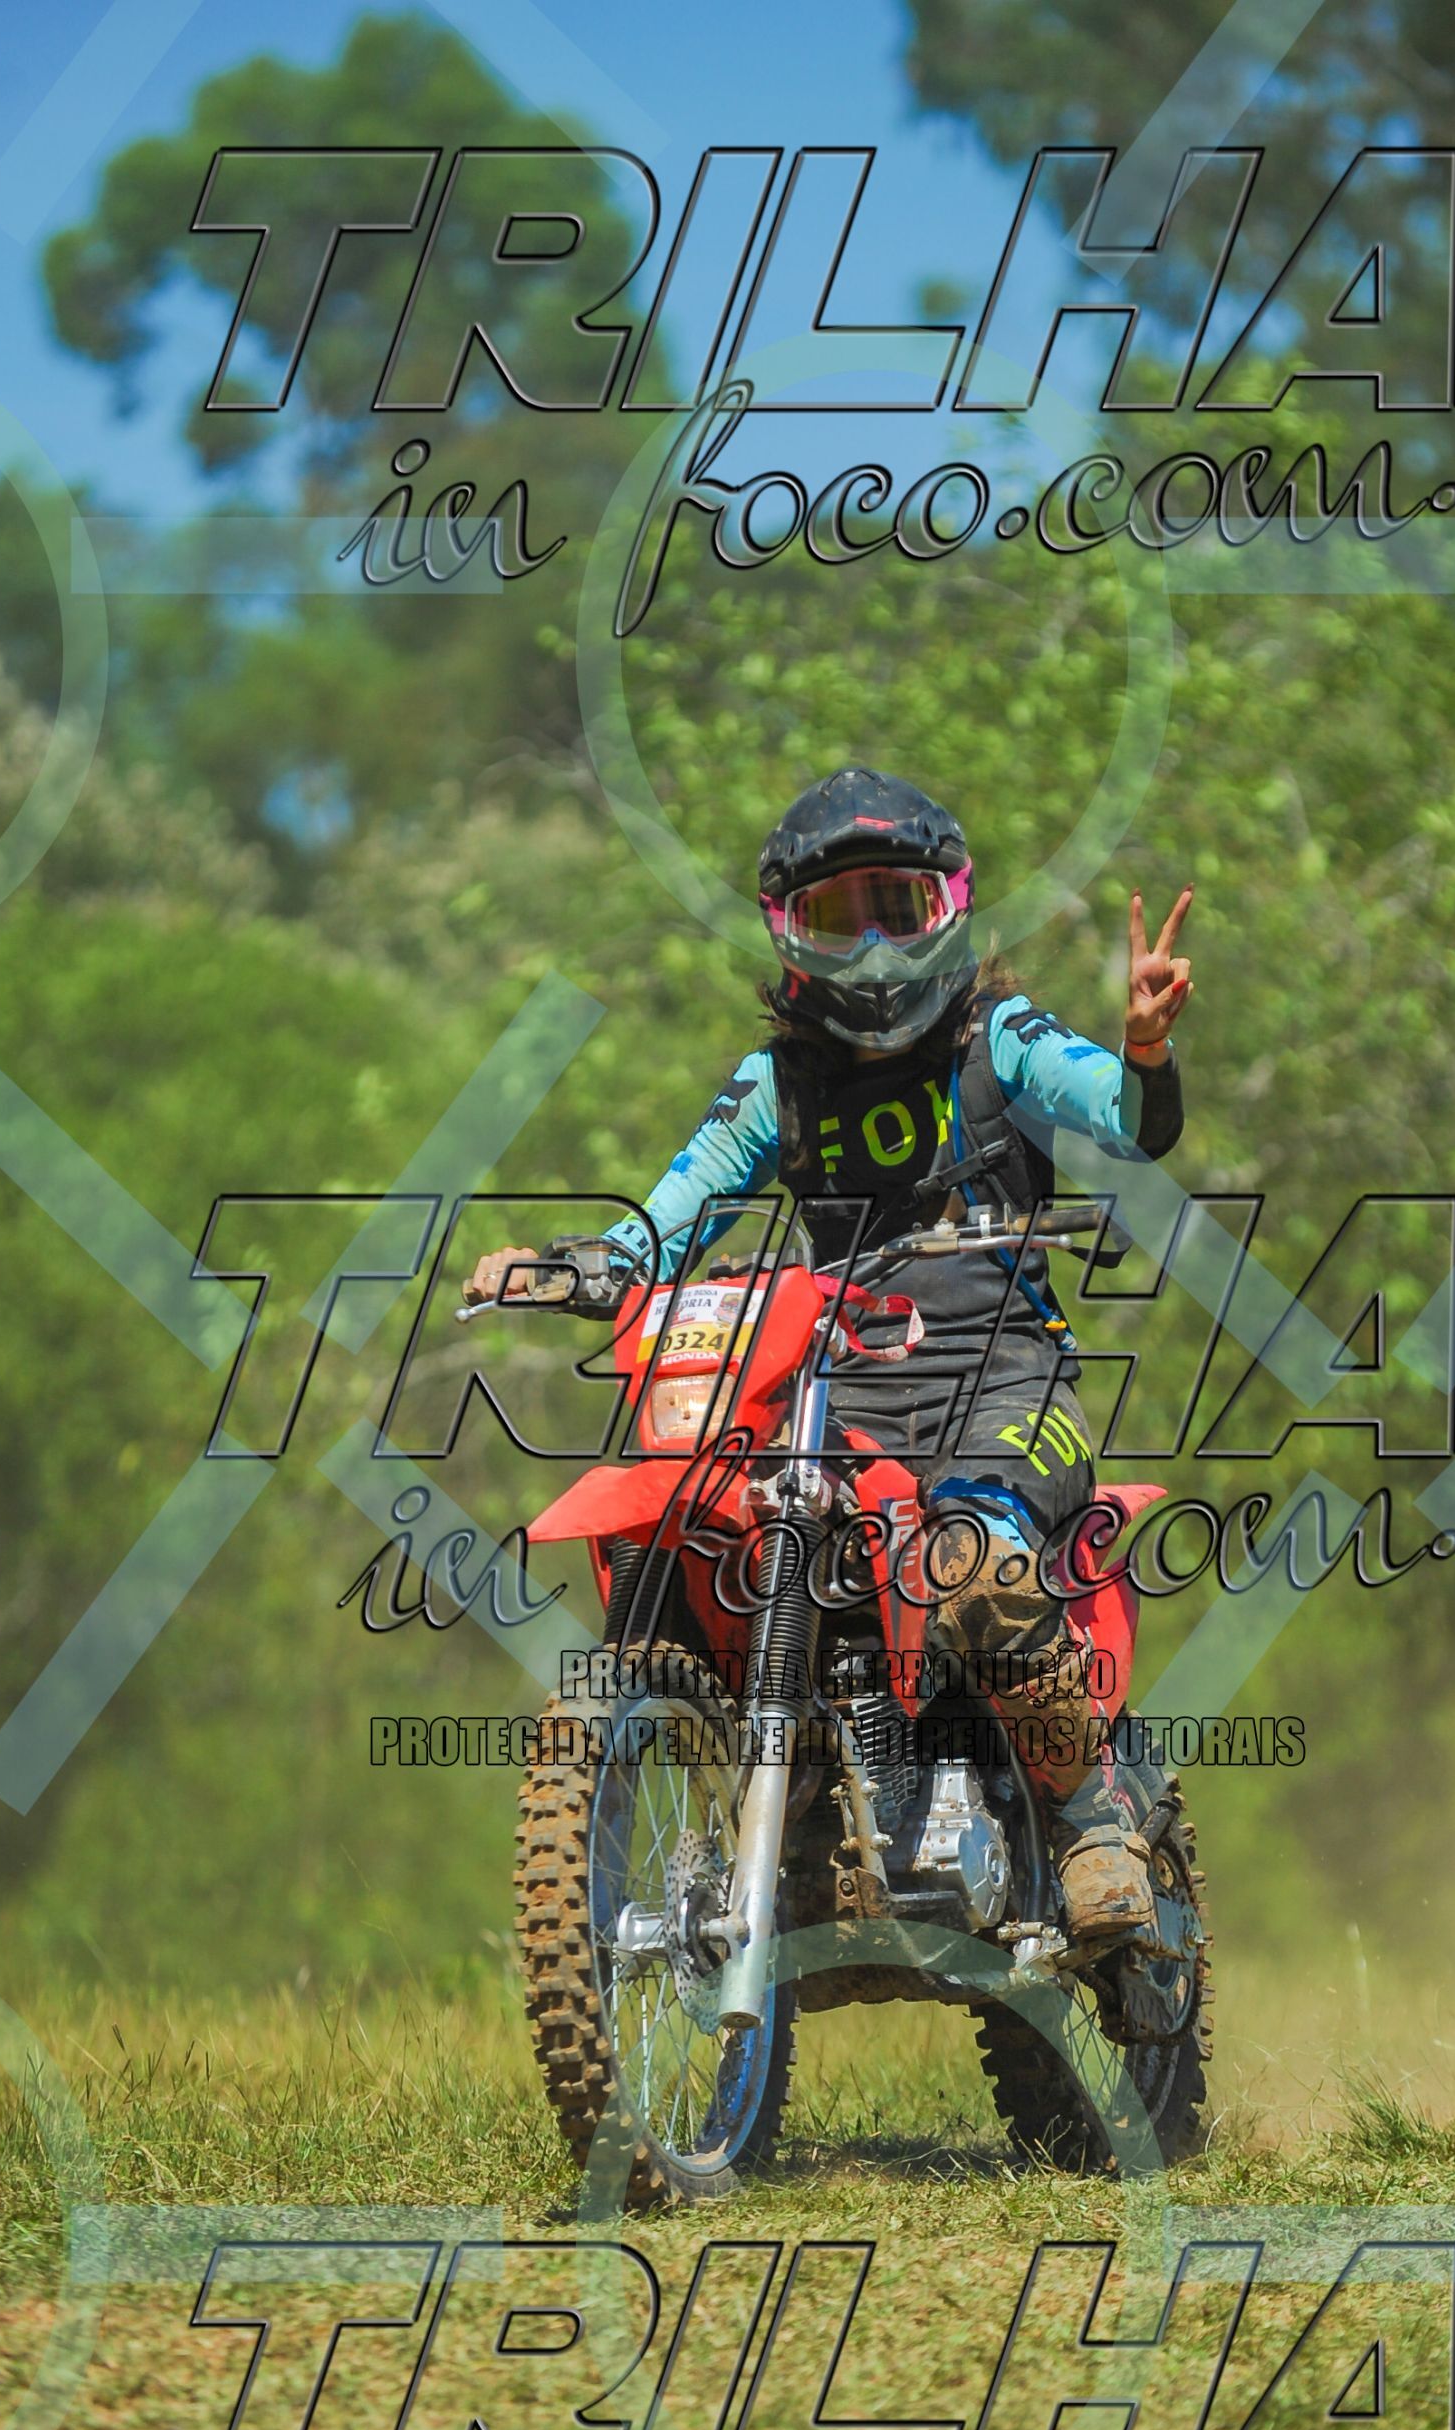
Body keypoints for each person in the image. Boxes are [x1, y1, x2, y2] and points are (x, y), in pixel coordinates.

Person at [466, 765, 1193, 1943]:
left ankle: (1092, 1817)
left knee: (975, 1561)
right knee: (731, 1541)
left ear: (948, 904)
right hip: (837, 1396)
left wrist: (1146, 1049)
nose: (872, 947)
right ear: (788, 929)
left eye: (894, 909)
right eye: (837, 916)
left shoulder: (997, 1038)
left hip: (1007, 1382)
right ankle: (796, 1803)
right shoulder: (780, 1082)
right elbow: (672, 1211)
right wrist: (581, 1267)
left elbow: (1125, 1115)